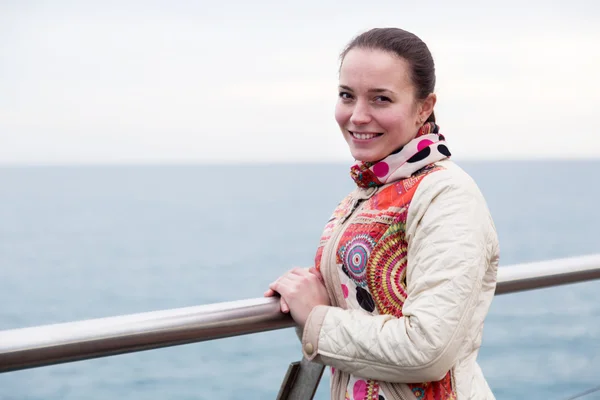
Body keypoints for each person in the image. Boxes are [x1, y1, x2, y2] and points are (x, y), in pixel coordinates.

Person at [264, 27, 499, 400]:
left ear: (424, 107)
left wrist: (316, 318)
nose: (357, 116)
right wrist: (310, 294)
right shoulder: (369, 190)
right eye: (347, 96)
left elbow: (427, 351)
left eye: (381, 99)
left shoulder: (447, 194)